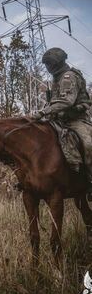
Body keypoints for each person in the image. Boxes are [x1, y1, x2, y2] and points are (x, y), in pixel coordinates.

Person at [32, 47, 92, 199]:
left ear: (56, 64)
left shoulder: (68, 77)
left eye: (48, 65)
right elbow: (53, 102)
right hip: (58, 119)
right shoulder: (56, 79)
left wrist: (43, 112)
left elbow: (67, 101)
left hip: (76, 120)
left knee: (88, 144)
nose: (47, 68)